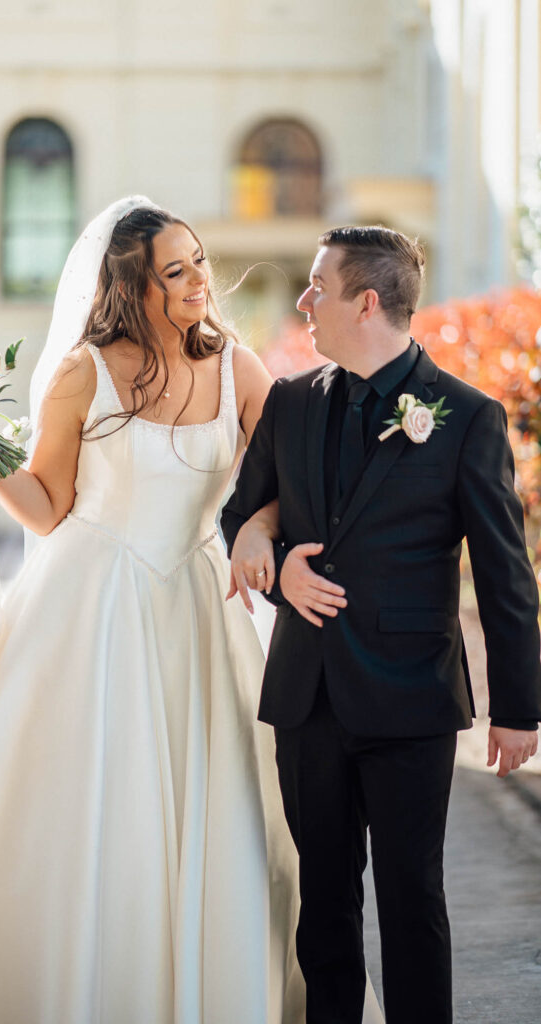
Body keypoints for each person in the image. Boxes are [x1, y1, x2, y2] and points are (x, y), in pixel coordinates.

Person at [0, 198, 387, 1023]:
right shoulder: (82, 372)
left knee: (223, 816)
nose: (196, 282)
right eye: (172, 272)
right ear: (129, 286)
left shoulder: (237, 368)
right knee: (83, 816)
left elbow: (289, 480)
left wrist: (259, 525)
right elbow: (45, 507)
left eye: (198, 262)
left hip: (198, 608)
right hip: (89, 611)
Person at [221, 225, 541, 1024]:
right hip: (306, 697)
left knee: (411, 900)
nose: (303, 302)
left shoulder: (466, 418)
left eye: (315, 287)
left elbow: (505, 574)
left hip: (411, 700)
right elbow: (237, 513)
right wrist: (271, 551)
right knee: (322, 904)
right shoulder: (290, 403)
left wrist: (517, 708)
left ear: (365, 302)